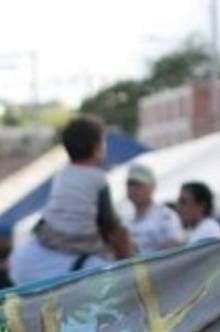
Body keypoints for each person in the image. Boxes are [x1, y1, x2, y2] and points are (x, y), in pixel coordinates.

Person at [9, 115, 132, 285]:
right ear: (97, 149)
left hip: (47, 237)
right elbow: (109, 222)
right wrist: (126, 256)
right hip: (78, 244)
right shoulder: (98, 179)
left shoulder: (62, 174)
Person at [121, 163, 184, 254]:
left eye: (139, 185)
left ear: (152, 187)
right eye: (130, 184)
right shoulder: (126, 221)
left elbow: (177, 243)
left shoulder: (165, 216)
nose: (133, 189)